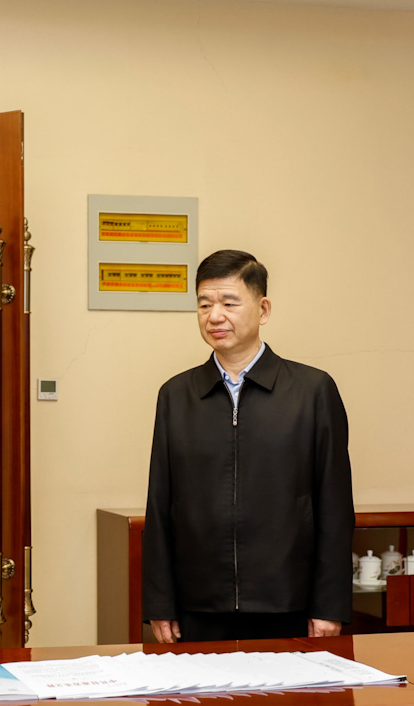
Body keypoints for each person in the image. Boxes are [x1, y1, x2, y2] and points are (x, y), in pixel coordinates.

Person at [142, 249, 354, 643]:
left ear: (263, 308)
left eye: (229, 303)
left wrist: (330, 604)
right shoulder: (176, 395)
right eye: (204, 304)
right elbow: (160, 505)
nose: (214, 316)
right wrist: (160, 602)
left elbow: (334, 506)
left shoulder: (311, 391)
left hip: (288, 603)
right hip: (198, 607)